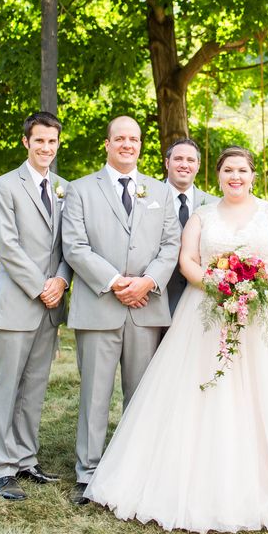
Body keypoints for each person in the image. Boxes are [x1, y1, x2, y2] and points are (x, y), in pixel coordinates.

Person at [84, 146, 268, 533]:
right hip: (207, 312)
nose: (235, 176)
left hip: (266, 313)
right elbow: (187, 260)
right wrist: (215, 283)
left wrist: (256, 289)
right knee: (202, 390)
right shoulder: (202, 216)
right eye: (228, 170)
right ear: (219, 175)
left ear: (253, 175)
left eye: (242, 169)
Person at [62, 116, 180, 505]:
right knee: (95, 394)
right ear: (108, 144)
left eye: (134, 139)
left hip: (147, 307)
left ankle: (136, 469)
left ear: (141, 145)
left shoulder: (160, 192)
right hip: (99, 306)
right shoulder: (79, 190)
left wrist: (147, 282)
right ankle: (89, 472)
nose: (128, 144)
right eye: (120, 139)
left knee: (142, 394)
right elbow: (75, 247)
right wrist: (116, 283)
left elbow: (170, 246)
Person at [0, 111, 70, 501]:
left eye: (52, 142)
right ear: (26, 142)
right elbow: (7, 247)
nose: (46, 148)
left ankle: (25, 459)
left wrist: (62, 281)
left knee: (34, 386)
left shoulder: (66, 188)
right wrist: (40, 287)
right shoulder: (4, 187)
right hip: (17, 302)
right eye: (40, 141)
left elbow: (73, 244)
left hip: (51, 305)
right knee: (7, 386)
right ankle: (0, 468)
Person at [164, 137, 217, 315]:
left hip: (202, 301)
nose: (184, 165)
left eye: (190, 160)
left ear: (198, 165)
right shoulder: (148, 199)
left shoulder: (214, 205)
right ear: (167, 163)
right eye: (178, 159)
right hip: (157, 299)